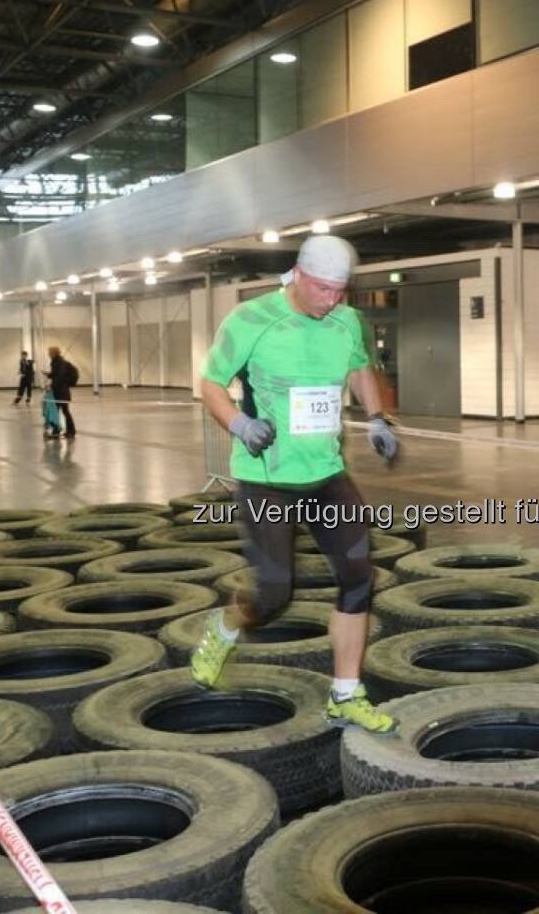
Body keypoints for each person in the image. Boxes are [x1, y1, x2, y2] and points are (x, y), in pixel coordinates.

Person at [190, 235, 401, 734]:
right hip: (267, 477)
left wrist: (377, 418)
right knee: (273, 593)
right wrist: (239, 426)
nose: (333, 300)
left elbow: (358, 368)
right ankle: (223, 629)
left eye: (341, 291)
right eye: (324, 289)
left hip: (326, 473)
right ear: (299, 276)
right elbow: (211, 383)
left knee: (358, 579)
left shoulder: (346, 320)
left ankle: (345, 695)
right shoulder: (251, 320)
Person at [47, 345, 76, 438]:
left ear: (54, 353)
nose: (48, 354)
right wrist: (50, 375)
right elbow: (57, 375)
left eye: (49, 352)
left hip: (61, 392)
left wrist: (51, 385)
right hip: (61, 391)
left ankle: (63, 431)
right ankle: (68, 431)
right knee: (62, 411)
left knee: (62, 411)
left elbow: (60, 377)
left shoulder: (59, 362)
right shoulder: (57, 362)